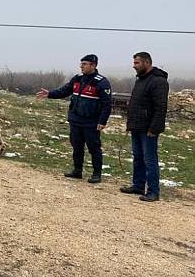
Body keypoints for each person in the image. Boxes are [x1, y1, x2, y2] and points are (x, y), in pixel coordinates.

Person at [36, 54, 112, 183]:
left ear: (93, 65)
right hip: (75, 119)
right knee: (76, 146)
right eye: (81, 64)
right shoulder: (77, 79)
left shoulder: (101, 82)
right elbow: (64, 91)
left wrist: (102, 121)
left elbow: (107, 104)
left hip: (91, 122)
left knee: (94, 148)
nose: (81, 66)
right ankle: (77, 171)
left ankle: (97, 174)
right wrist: (50, 94)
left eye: (84, 64)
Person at [120, 52, 169, 202]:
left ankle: (153, 191)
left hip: (149, 129)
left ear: (147, 63)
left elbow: (161, 107)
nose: (134, 66)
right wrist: (130, 124)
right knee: (138, 157)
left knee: (150, 160)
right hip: (137, 126)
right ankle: (138, 185)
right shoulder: (140, 80)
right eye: (134, 63)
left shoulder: (158, 81)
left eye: (137, 63)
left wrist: (154, 129)